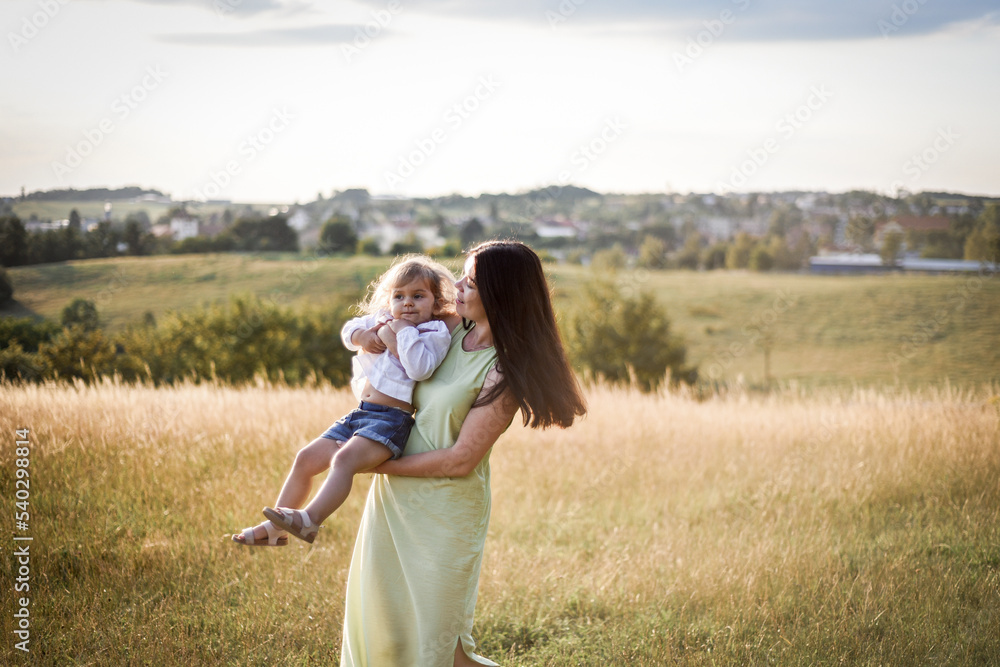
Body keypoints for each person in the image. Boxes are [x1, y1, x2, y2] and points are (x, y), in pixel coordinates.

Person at [340, 240, 587, 666]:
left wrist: (380, 465)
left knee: (443, 645)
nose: (455, 286)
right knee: (385, 621)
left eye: (469, 282)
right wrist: (371, 336)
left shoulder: (504, 371)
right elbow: (385, 325)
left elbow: (460, 460)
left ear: (499, 294)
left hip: (446, 510)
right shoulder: (452, 328)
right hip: (395, 499)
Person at [232, 255, 457, 546]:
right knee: (305, 459)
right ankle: (277, 527)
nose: (407, 303)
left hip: (391, 420)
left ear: (436, 302)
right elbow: (348, 330)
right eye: (399, 296)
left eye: (418, 296)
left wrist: (401, 333)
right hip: (360, 414)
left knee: (343, 460)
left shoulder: (433, 332)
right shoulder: (381, 319)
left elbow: (420, 368)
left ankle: (310, 520)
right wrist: (362, 336)